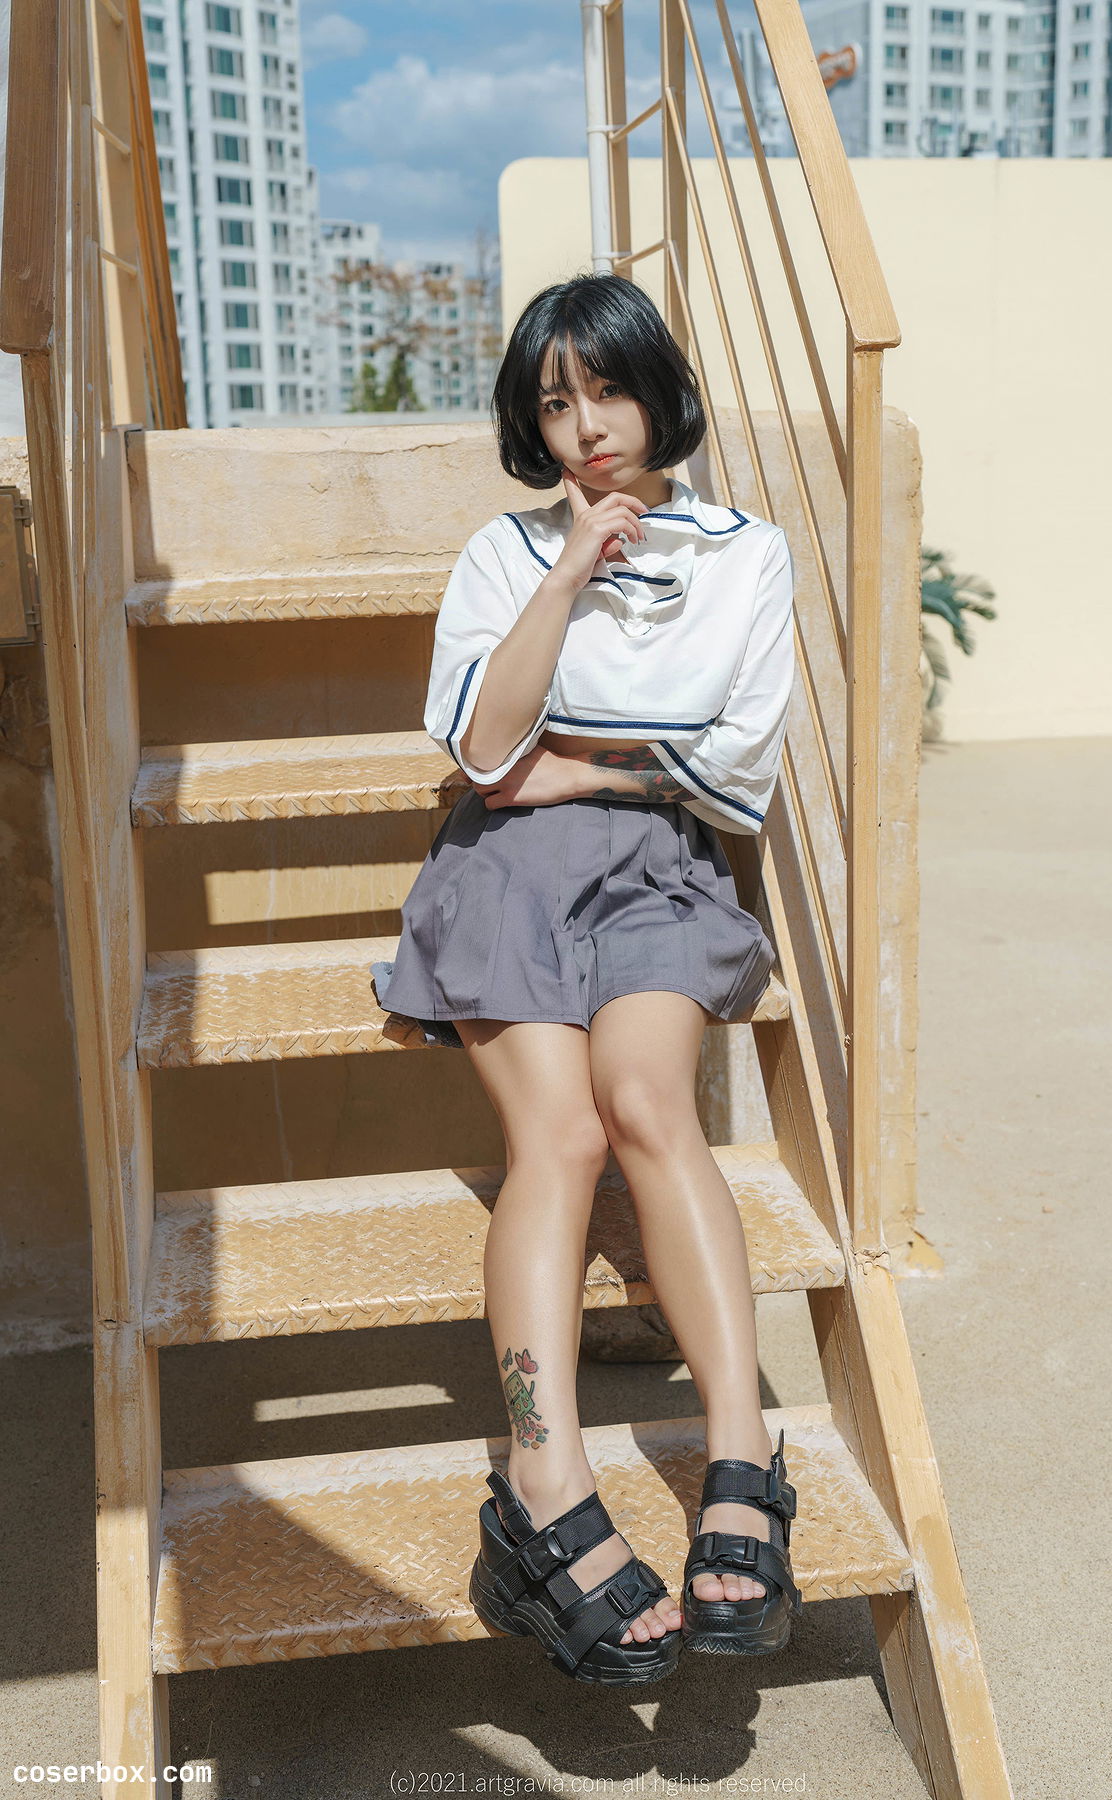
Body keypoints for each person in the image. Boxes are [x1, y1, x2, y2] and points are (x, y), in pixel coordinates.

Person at [370, 272, 801, 1684]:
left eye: (608, 391)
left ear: (657, 392)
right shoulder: (504, 557)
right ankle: (541, 1479)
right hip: (502, 870)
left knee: (649, 1105)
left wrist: (583, 761)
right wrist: (566, 577)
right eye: (555, 405)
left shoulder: (747, 556)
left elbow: (733, 772)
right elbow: (482, 756)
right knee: (557, 1136)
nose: (588, 429)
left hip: (661, 871)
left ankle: (741, 1450)